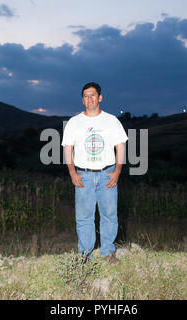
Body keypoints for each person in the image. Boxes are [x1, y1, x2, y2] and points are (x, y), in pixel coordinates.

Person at [61, 82, 128, 265]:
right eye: (85, 96)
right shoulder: (74, 122)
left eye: (92, 95)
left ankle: (108, 252)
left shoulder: (111, 121)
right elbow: (68, 149)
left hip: (107, 173)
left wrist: (117, 172)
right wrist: (72, 173)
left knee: (109, 215)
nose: (89, 99)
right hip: (84, 175)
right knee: (84, 217)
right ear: (82, 100)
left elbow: (120, 147)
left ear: (100, 97)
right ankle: (85, 255)